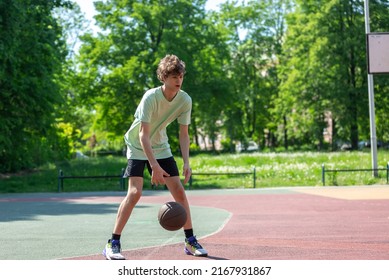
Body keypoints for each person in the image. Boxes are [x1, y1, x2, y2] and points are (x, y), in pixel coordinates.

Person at [102, 54, 208, 260]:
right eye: (174, 76)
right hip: (137, 144)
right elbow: (143, 134)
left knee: (179, 190)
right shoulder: (150, 97)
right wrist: (154, 166)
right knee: (134, 193)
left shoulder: (185, 100)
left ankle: (190, 240)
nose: (178, 80)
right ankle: (113, 243)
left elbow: (184, 134)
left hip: (160, 145)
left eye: (181, 76)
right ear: (164, 77)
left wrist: (187, 162)